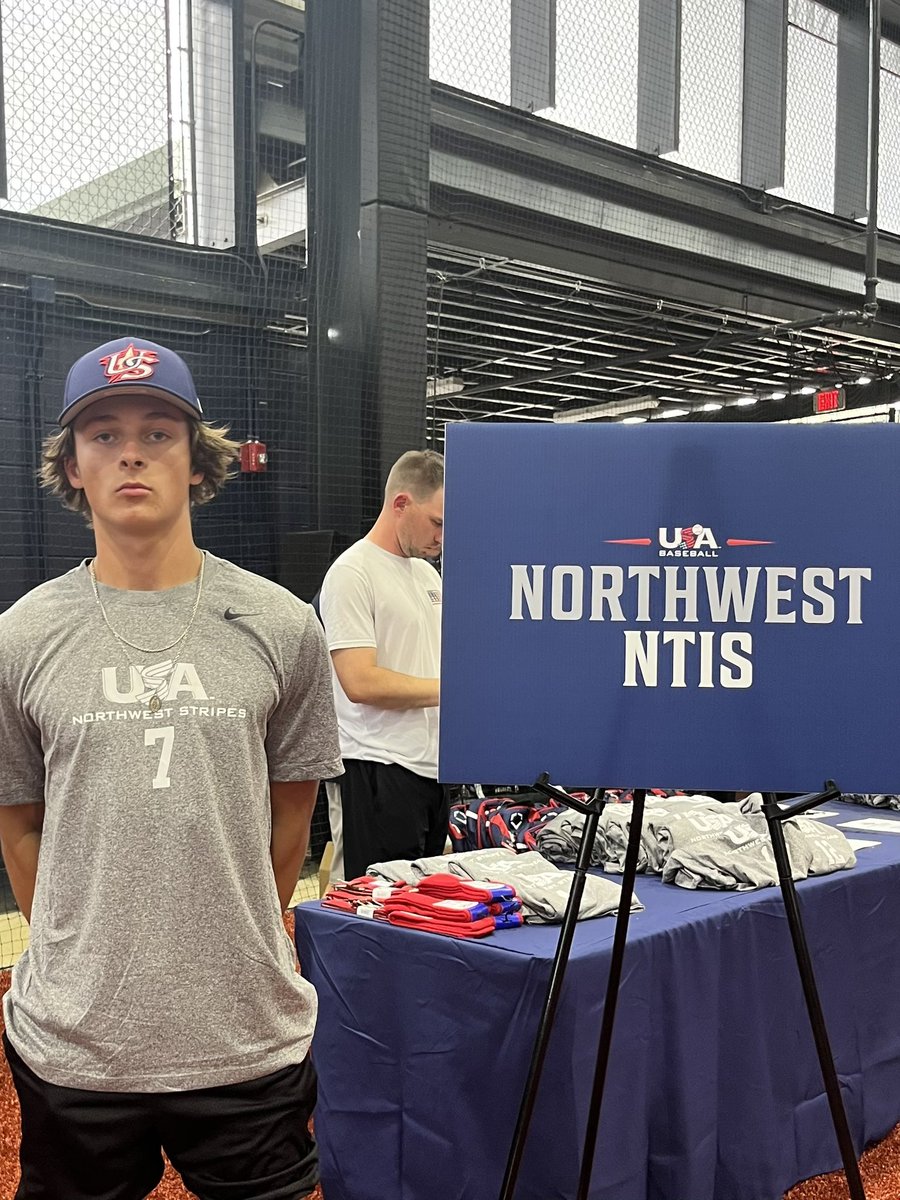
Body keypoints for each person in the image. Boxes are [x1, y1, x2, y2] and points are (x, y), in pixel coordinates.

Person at [0, 336, 342, 1200]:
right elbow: (19, 818)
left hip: (244, 1037)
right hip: (75, 1044)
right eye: (103, 434)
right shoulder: (22, 637)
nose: (130, 453)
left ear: (198, 463)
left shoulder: (279, 624)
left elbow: (290, 819)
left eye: (158, 433)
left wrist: (236, 945)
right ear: (71, 467)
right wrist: (83, 954)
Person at [319, 450, 446, 883]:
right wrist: (455, 690)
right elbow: (359, 681)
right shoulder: (352, 573)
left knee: (424, 916)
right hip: (375, 769)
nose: (441, 538)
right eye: (436, 523)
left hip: (432, 770)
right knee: (372, 911)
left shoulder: (429, 576)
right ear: (401, 504)